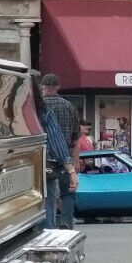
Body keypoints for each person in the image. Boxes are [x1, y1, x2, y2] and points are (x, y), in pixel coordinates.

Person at [39, 74, 81, 230]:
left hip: (42, 158)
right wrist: (75, 161)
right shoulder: (68, 106)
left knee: (46, 196)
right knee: (68, 193)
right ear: (58, 87)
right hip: (65, 157)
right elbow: (76, 136)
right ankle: (65, 223)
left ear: (42, 86)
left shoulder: (38, 107)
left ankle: (47, 227)